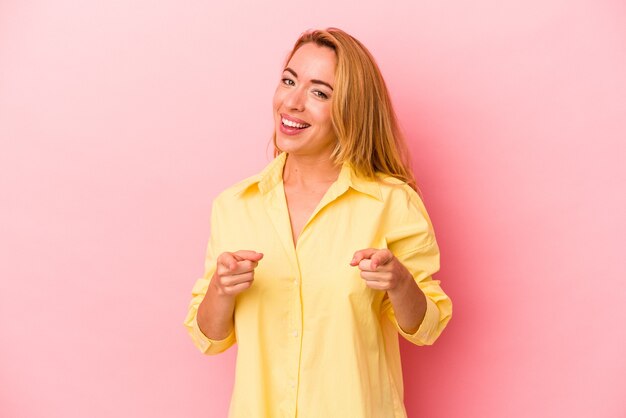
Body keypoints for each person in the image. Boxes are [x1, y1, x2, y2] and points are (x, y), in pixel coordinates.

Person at [183, 27, 452, 418]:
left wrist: (399, 282)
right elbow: (208, 338)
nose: (291, 102)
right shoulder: (235, 206)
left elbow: (427, 328)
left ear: (351, 110)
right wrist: (221, 291)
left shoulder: (391, 203)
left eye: (319, 92)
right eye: (288, 81)